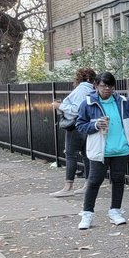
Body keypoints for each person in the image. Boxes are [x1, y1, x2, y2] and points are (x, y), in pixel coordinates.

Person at [73, 72, 129, 230]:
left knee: (118, 181)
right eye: (103, 86)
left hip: (121, 149)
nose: (107, 89)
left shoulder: (123, 102)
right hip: (100, 151)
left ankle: (115, 212)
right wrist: (95, 126)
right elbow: (80, 125)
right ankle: (87, 214)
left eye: (110, 86)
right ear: (96, 85)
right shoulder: (88, 103)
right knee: (94, 181)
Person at [51, 67, 96, 197]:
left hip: (75, 126)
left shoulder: (80, 90)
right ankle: (87, 184)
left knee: (70, 154)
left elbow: (77, 109)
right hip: (88, 125)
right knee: (87, 155)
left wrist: (59, 106)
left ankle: (68, 186)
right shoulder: (92, 89)